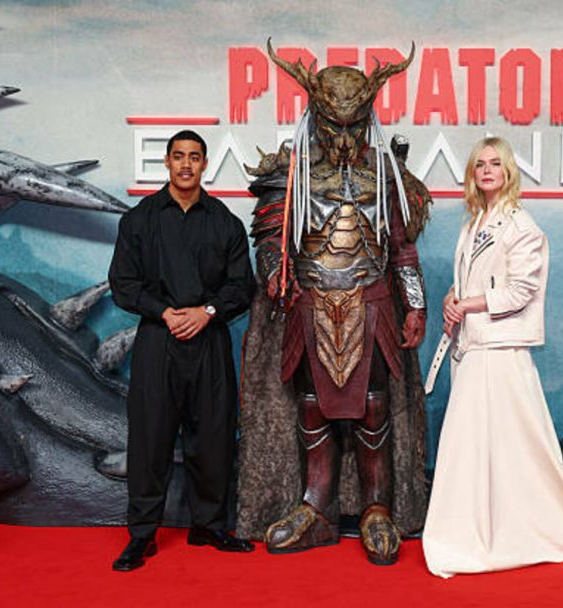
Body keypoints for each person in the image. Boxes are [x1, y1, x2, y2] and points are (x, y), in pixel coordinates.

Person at [235, 41, 431, 566]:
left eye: (353, 124)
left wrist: (415, 306)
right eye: (333, 124)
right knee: (311, 407)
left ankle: (377, 510)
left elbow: (401, 248)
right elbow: (270, 238)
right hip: (311, 304)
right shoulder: (290, 172)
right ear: (316, 115)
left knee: (374, 408)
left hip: (372, 304)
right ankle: (315, 507)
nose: (343, 137)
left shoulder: (387, 174)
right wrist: (275, 274)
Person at [422, 137, 563, 578]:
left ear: (508, 171)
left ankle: (506, 529)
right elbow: (472, 278)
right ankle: (471, 527)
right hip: (474, 350)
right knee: (474, 446)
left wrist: (468, 304)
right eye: (479, 164)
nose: (487, 170)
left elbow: (521, 291)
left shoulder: (521, 225)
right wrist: (452, 298)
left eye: (495, 163)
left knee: (508, 444)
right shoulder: (475, 222)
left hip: (500, 352)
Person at [108, 130, 256, 571]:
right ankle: (142, 535)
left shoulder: (224, 222)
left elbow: (241, 287)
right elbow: (123, 283)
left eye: (194, 157)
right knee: (149, 439)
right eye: (178, 156)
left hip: (209, 340)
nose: (186, 164)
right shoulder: (139, 220)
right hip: (158, 340)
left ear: (204, 164)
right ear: (167, 163)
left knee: (213, 437)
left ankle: (208, 526)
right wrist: (163, 312)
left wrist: (207, 311)